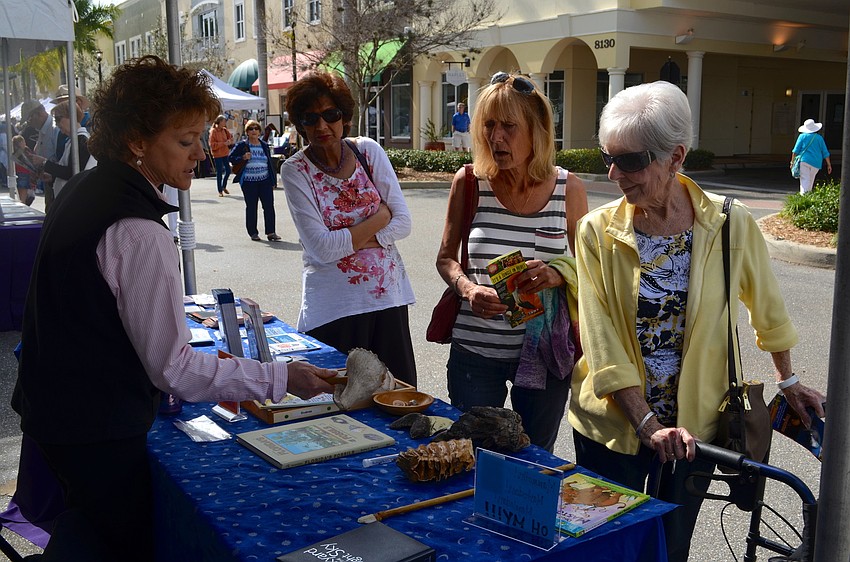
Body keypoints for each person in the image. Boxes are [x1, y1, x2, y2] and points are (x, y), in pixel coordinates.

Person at [11, 55, 337, 562]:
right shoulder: (140, 231)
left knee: (87, 529)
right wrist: (281, 378)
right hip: (94, 426)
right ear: (137, 141)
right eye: (184, 141)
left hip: (56, 412)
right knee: (119, 540)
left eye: (199, 138)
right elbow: (175, 370)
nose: (200, 154)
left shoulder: (85, 188)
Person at [567, 81, 826, 562]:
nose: (614, 173)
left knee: (669, 548)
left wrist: (788, 380)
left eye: (630, 161)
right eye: (608, 157)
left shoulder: (730, 223)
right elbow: (598, 337)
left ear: (675, 157)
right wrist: (645, 422)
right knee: (606, 549)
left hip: (694, 432)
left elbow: (768, 309)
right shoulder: (596, 231)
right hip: (612, 426)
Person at [435, 72, 589, 452]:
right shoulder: (470, 181)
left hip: (544, 357)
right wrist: (468, 289)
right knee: (472, 460)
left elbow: (594, 269)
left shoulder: (569, 189)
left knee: (532, 464)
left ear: (537, 129)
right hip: (475, 354)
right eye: (488, 125)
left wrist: (558, 273)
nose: (496, 137)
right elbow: (445, 259)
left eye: (508, 126)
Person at [280, 71, 417, 386]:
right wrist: (379, 221)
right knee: (336, 405)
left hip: (387, 302)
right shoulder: (295, 171)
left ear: (344, 117)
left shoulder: (368, 152)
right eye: (310, 118)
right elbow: (321, 248)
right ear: (300, 125)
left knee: (395, 400)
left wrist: (350, 239)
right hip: (333, 308)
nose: (321, 126)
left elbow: (404, 222)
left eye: (330, 115)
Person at [228, 119, 282, 241]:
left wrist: (273, 181)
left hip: (265, 180)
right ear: (247, 132)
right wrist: (242, 157)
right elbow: (231, 157)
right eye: (251, 129)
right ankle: (253, 232)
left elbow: (269, 163)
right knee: (251, 207)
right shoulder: (242, 145)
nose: (254, 131)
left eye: (256, 128)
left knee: (269, 206)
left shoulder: (264, 145)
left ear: (259, 131)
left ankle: (271, 232)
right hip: (249, 181)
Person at [30, 100, 95, 198]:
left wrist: (44, 162)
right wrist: (53, 178)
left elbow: (73, 172)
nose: (56, 122)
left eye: (58, 118)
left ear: (70, 117)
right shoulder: (74, 140)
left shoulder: (81, 140)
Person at [20, 99, 60, 207]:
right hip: (48, 182)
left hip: (57, 183)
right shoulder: (41, 131)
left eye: (29, 119)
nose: (29, 123)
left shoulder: (54, 129)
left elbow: (59, 158)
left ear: (39, 113)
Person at [791, 118, 832, 194]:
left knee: (804, 180)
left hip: (804, 161)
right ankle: (808, 196)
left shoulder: (802, 136)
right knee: (810, 180)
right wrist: (829, 165)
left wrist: (792, 162)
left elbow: (795, 151)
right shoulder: (819, 138)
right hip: (816, 163)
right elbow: (825, 152)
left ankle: (804, 198)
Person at [209, 115, 233, 196]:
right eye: (223, 121)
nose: (225, 122)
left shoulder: (225, 130)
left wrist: (229, 141)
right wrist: (223, 143)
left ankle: (224, 186)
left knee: (228, 170)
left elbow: (230, 137)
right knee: (219, 172)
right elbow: (212, 145)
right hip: (217, 154)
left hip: (225, 153)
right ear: (219, 122)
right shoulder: (213, 131)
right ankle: (220, 190)